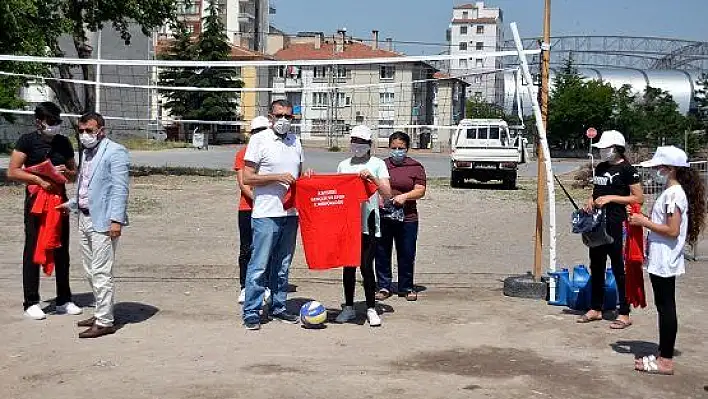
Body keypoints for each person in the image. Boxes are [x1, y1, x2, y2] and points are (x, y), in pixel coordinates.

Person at [628, 146, 705, 375]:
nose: (656, 171)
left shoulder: (673, 194)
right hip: (661, 256)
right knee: (664, 306)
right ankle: (663, 353)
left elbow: (672, 230)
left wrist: (643, 222)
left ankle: (666, 359)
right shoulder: (671, 192)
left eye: (659, 167)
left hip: (665, 257)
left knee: (666, 306)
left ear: (669, 169)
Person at [7, 102, 82, 320]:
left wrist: (64, 172)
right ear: (39, 121)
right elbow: (12, 171)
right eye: (50, 122)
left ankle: (64, 299)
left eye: (57, 122)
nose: (54, 126)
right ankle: (31, 301)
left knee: (61, 247)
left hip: (59, 200)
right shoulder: (27, 141)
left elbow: (74, 173)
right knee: (33, 248)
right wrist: (38, 178)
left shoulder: (63, 142)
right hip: (37, 200)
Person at [60, 112, 130, 338]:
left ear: (101, 130)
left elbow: (120, 189)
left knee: (101, 271)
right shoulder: (87, 153)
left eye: (89, 130)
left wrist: (116, 220)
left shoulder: (115, 151)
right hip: (85, 217)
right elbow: (88, 188)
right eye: (80, 131)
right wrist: (71, 204)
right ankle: (102, 309)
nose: (84, 135)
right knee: (90, 270)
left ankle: (105, 321)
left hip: (105, 221)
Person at [241, 100, 303, 330]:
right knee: (259, 265)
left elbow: (300, 175)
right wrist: (275, 177)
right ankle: (252, 311)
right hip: (266, 212)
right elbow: (247, 177)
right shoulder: (259, 140)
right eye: (280, 115)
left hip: (290, 212)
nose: (284, 120)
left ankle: (279, 307)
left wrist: (309, 178)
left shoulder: (296, 141)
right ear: (270, 117)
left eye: (288, 116)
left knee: (283, 265)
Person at [577, 130, 643, 328]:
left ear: (616, 148)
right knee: (596, 264)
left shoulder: (628, 170)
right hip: (597, 223)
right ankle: (596, 308)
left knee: (618, 267)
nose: (602, 152)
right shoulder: (600, 168)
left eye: (606, 148)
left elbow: (638, 197)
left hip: (616, 222)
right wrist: (591, 200)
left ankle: (624, 311)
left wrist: (612, 199)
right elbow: (596, 191)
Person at [334, 125, 391, 327]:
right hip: (348, 224)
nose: (357, 145)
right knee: (348, 266)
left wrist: (372, 178)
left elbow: (387, 193)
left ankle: (371, 308)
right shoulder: (343, 165)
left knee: (366, 267)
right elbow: (335, 192)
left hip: (368, 222)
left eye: (362, 142)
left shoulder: (377, 164)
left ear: (369, 144)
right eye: (354, 141)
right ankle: (348, 307)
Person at [375, 131, 426, 301]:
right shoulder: (381, 165)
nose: (397, 151)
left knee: (406, 252)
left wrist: (405, 196)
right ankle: (383, 286)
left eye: (401, 148)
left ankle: (406, 286)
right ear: (389, 147)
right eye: (394, 147)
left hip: (408, 217)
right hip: (384, 216)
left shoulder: (415, 167)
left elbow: (420, 190)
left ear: (407, 148)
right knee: (382, 251)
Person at [233, 116, 271, 304]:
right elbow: (244, 183)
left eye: (263, 130)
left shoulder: (273, 151)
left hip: (270, 209)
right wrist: (260, 201)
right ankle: (245, 286)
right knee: (247, 248)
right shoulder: (243, 153)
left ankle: (265, 286)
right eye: (257, 131)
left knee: (267, 249)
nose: (260, 135)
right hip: (249, 208)